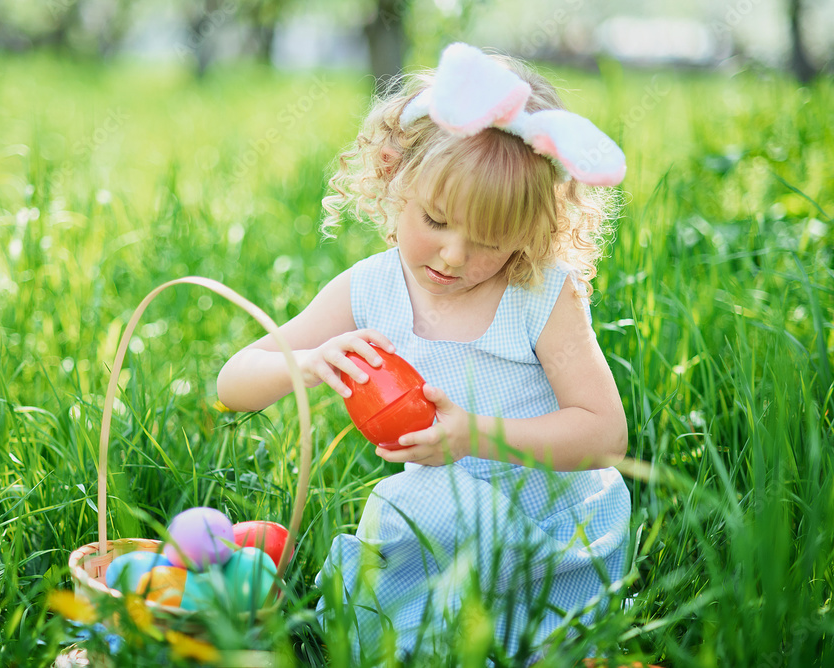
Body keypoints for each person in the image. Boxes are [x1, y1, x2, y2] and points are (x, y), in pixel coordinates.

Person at [217, 42, 631, 663]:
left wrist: (475, 439)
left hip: (552, 535)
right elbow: (232, 383)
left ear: (532, 229)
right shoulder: (371, 288)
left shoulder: (540, 293)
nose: (454, 256)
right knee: (408, 545)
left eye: (490, 240)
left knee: (406, 506)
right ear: (393, 174)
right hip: (438, 525)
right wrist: (303, 364)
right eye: (436, 220)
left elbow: (604, 435)